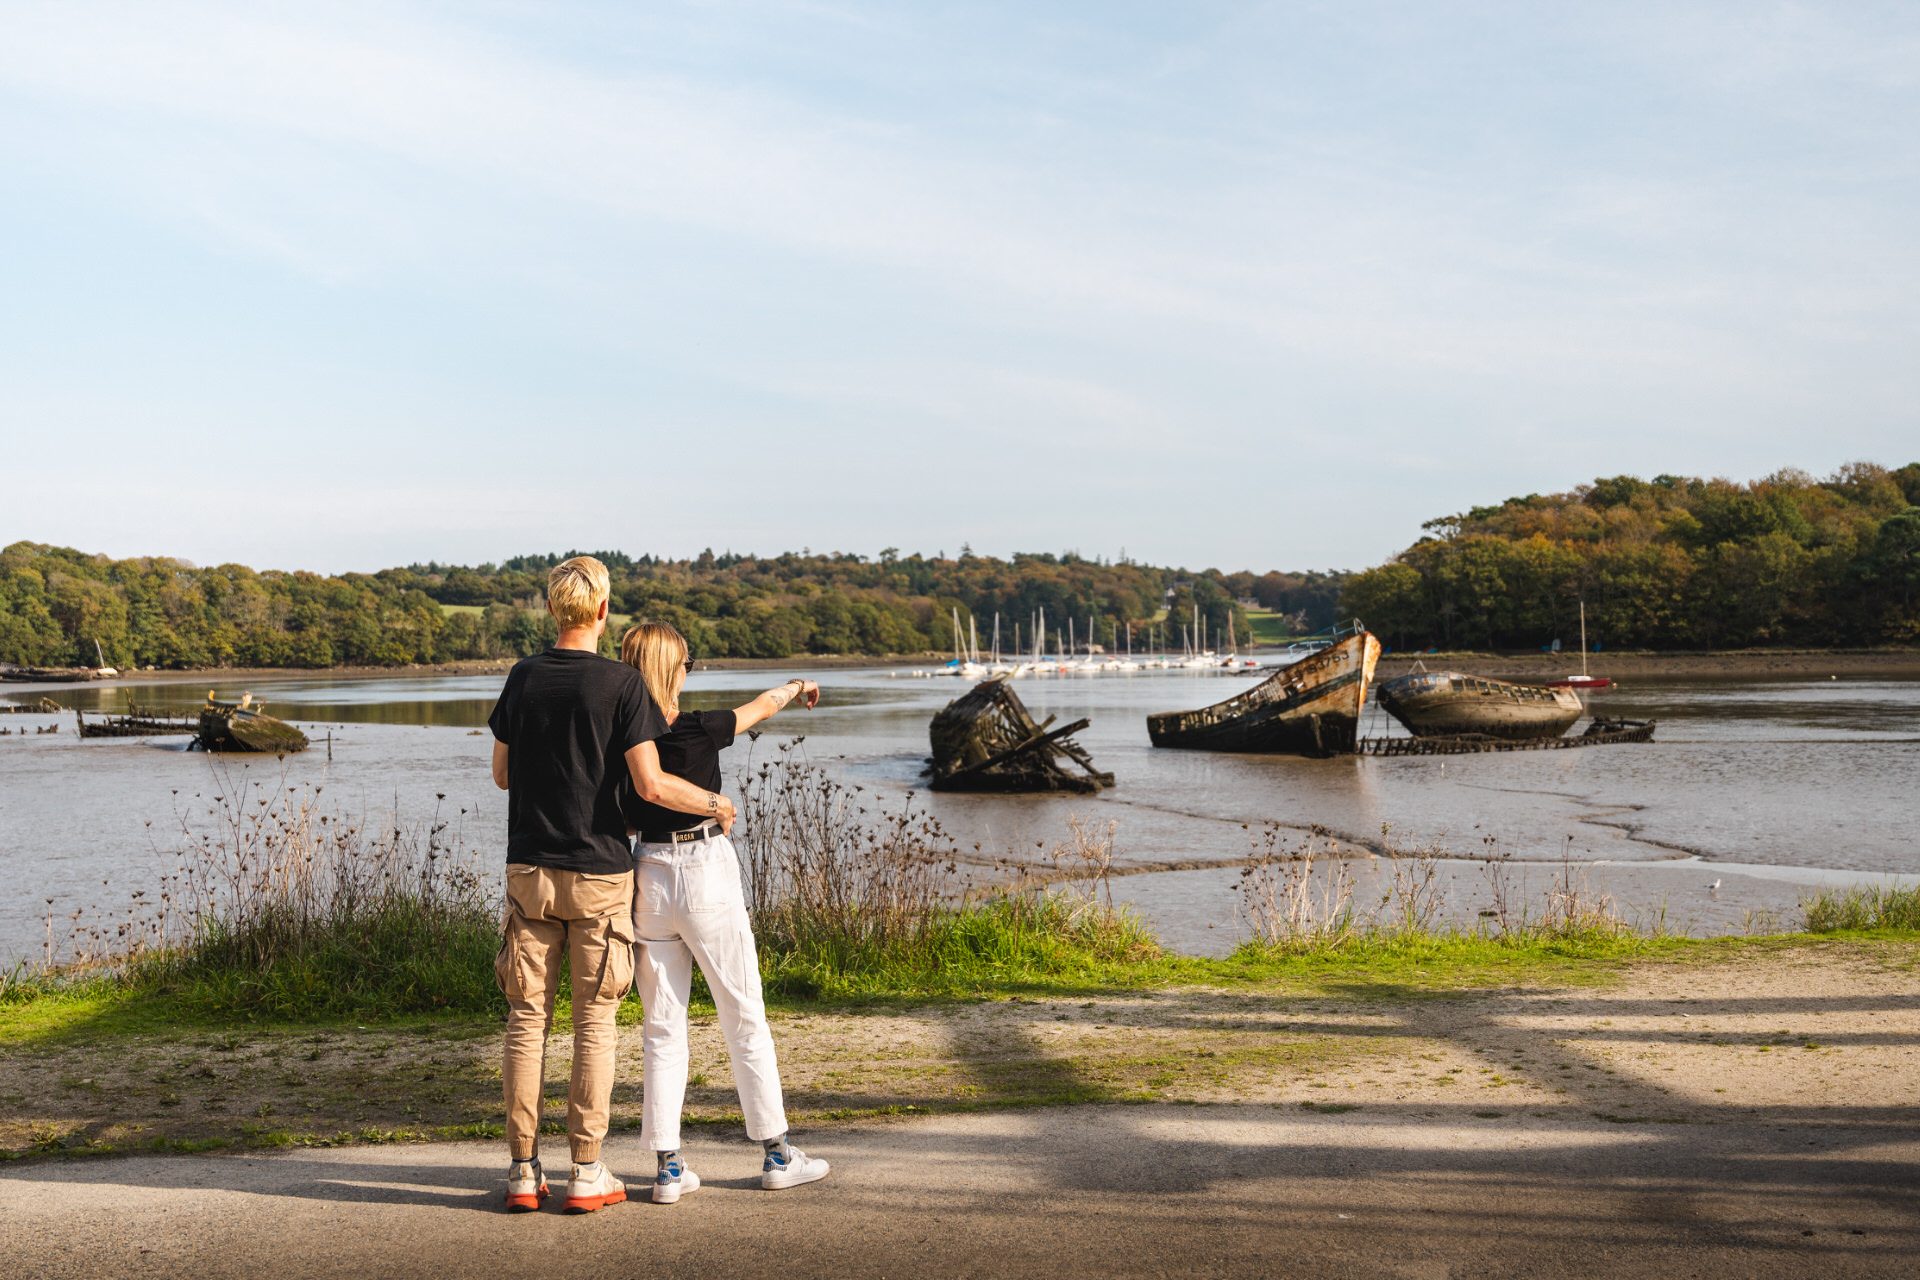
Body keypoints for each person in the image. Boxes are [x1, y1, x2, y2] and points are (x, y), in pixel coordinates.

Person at [487, 558, 735, 1214]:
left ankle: (521, 1170)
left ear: (553, 611)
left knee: (525, 1016)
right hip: (599, 871)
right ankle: (587, 1172)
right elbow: (651, 786)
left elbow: (502, 776)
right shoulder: (623, 685)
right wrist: (713, 803)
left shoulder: (522, 679)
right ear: (602, 612)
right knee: (594, 1018)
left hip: (530, 869)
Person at [617, 621, 831, 1204]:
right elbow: (761, 707)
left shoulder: (623, 740)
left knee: (663, 1027)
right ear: (674, 669)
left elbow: (629, 813)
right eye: (688, 660)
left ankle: (667, 1168)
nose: (691, 669)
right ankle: (778, 1154)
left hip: (649, 878)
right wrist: (798, 684)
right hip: (704, 868)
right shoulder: (698, 729)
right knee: (743, 1014)